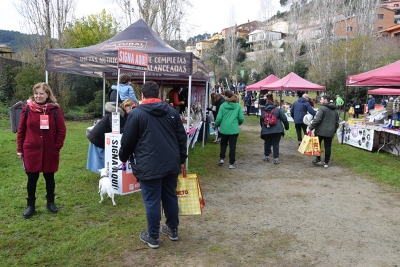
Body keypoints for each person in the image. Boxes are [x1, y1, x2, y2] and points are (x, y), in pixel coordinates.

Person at [118, 81, 187, 249]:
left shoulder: (136, 114)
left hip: (149, 164)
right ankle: (172, 230)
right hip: (170, 162)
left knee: (152, 200)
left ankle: (154, 236)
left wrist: (123, 156)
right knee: (169, 196)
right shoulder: (171, 112)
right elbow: (182, 137)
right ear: (159, 95)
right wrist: (182, 158)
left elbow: (127, 140)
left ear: (142, 96)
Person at [17, 82, 66, 218]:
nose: (38, 96)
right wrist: (20, 148)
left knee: (49, 177)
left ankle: (50, 202)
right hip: (31, 150)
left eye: (41, 93)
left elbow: (61, 130)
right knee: (32, 178)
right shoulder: (27, 108)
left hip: (50, 150)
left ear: (47, 94)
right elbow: (21, 130)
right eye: (36, 93)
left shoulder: (54, 110)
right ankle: (30, 206)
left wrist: (57, 147)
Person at [86, 98, 136, 173]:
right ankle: (104, 175)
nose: (132, 110)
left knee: (104, 158)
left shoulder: (125, 114)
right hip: (98, 137)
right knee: (103, 159)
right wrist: (129, 128)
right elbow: (115, 129)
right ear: (126, 105)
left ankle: (105, 174)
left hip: (103, 137)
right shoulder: (115, 112)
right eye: (131, 108)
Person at [214, 90, 244, 169]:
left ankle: (222, 158)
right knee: (232, 146)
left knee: (223, 144)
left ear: (226, 96)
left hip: (224, 129)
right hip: (233, 130)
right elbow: (241, 118)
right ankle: (231, 163)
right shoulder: (237, 106)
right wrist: (239, 123)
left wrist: (216, 124)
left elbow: (219, 118)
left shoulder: (223, 106)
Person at [309, 95, 339, 168]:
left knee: (317, 145)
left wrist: (311, 127)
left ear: (325, 100)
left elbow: (317, 119)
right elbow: (337, 122)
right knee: (328, 147)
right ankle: (326, 162)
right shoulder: (335, 110)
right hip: (330, 131)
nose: (320, 101)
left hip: (320, 131)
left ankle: (318, 159)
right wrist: (334, 130)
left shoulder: (322, 108)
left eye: (321, 99)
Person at [260, 100, 289, 165]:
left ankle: (266, 156)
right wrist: (286, 127)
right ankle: (276, 159)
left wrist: (264, 128)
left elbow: (261, 122)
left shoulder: (263, 112)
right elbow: (284, 119)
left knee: (267, 143)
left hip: (266, 130)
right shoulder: (278, 110)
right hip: (277, 130)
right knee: (276, 143)